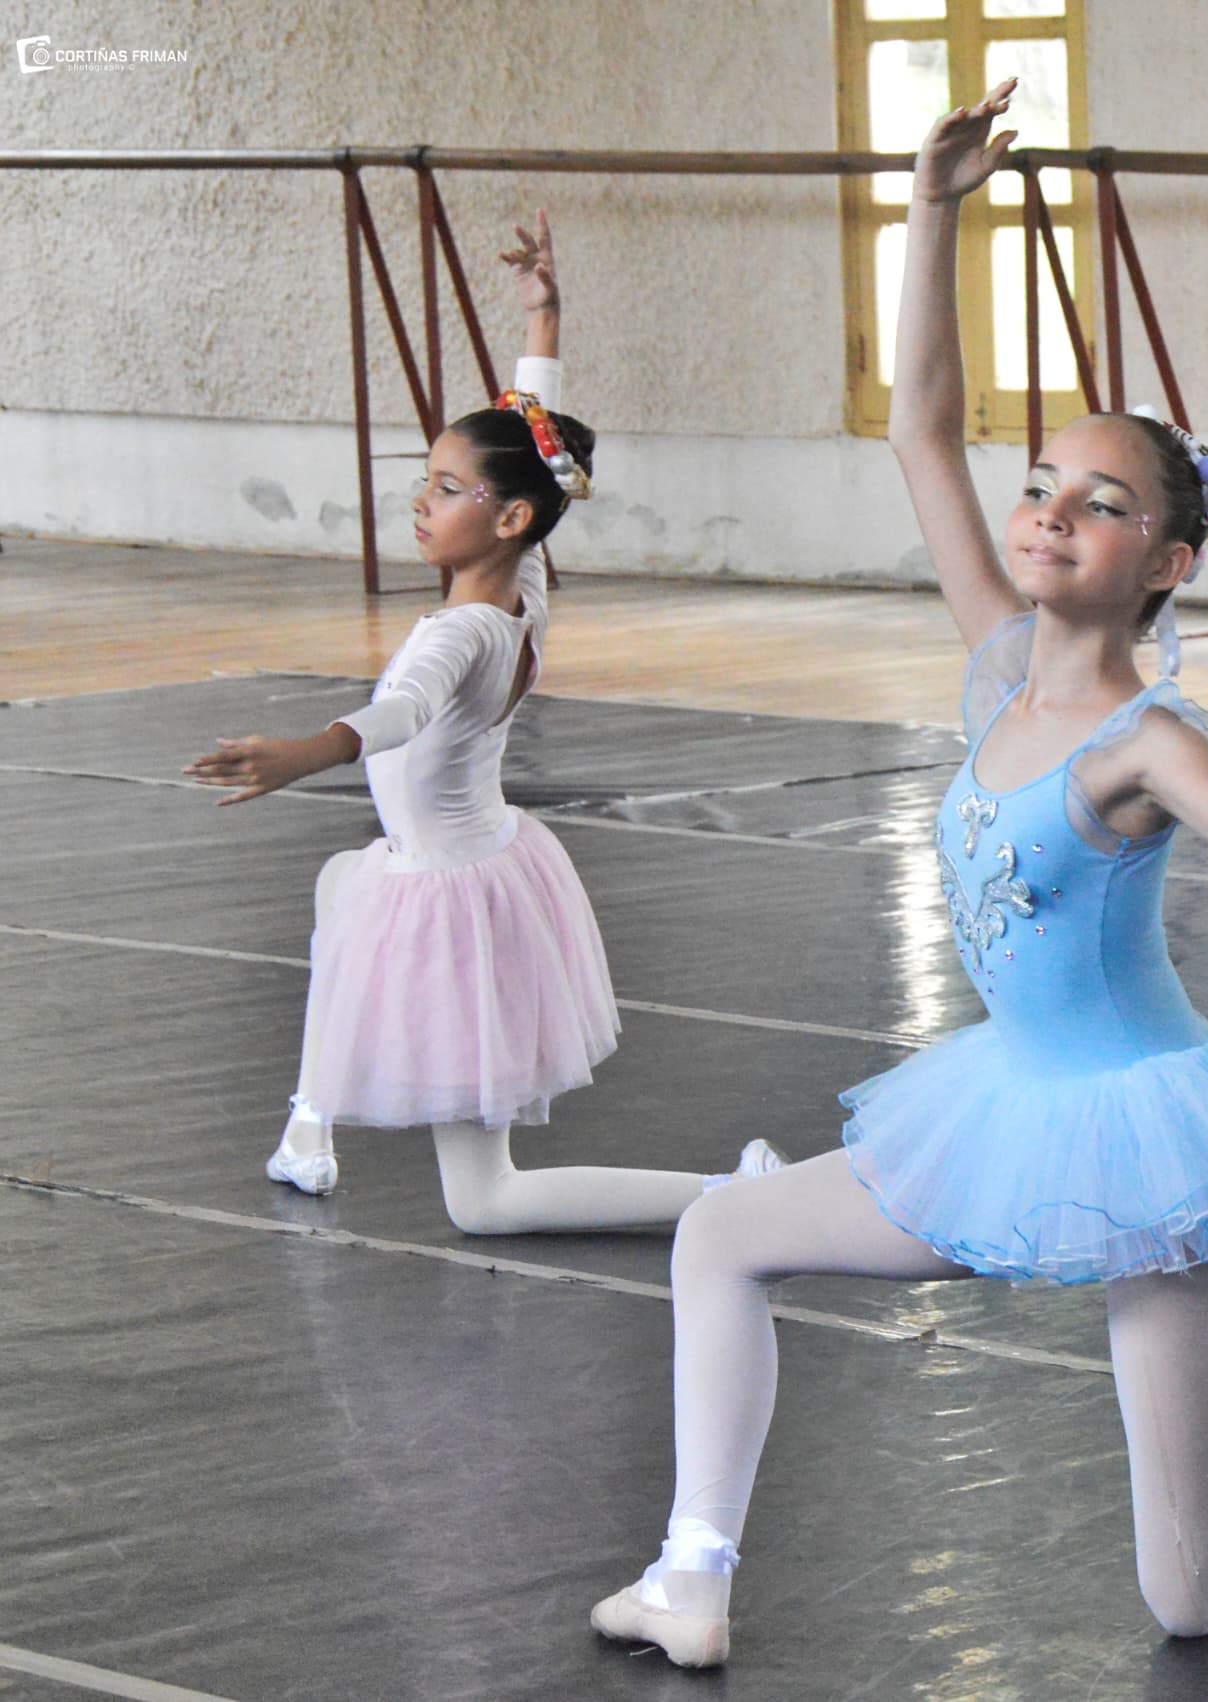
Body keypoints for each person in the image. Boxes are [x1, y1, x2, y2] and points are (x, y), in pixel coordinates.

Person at [591, 85, 1208, 1668]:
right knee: (720, 1234)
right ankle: (692, 1575)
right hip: (995, 1113)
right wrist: (933, 203)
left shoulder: (1140, 739)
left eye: (1104, 504)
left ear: (1167, 564)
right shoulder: (1001, 667)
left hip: (1153, 1143)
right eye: (1042, 486)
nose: (1050, 513)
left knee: (1190, 1595)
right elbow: (919, 428)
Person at [184, 212, 779, 1230]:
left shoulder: (459, 635)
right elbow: (535, 440)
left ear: (507, 517)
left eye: (448, 488)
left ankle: (732, 1196)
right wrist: (544, 318)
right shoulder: (523, 583)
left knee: (485, 1201)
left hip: (452, 902)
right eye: (426, 479)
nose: (422, 501)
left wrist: (303, 754)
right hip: (481, 864)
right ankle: (306, 1132)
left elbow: (399, 713)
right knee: (341, 889)